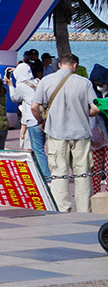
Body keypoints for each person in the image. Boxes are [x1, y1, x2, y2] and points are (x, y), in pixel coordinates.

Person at [35, 54, 98, 213]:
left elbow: (34, 106)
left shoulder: (46, 81)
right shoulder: (85, 83)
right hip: (81, 133)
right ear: (75, 65)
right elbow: (96, 108)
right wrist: (86, 114)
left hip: (56, 133)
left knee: (59, 173)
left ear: (59, 64)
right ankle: (84, 211)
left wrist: (41, 121)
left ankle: (62, 210)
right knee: (83, 174)